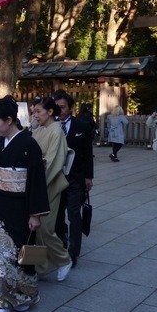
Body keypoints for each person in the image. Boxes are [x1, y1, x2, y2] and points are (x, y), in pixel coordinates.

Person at [0, 97, 50, 312]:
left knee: (22, 256)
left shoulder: (29, 144)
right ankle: (2, 302)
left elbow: (36, 180)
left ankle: (25, 295)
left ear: (9, 120)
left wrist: (35, 214)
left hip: (21, 207)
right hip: (0, 204)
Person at [31, 97, 72, 281]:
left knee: (45, 228)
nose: (36, 115)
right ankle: (37, 267)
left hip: (49, 184)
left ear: (50, 112)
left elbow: (54, 161)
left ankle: (64, 259)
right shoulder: (39, 130)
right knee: (33, 228)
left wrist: (37, 180)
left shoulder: (57, 131)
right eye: (34, 111)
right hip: (36, 184)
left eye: (39, 111)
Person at [54, 92, 94, 268]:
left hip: (75, 178)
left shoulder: (82, 126)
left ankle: (74, 252)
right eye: (57, 107)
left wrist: (88, 176)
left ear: (71, 108)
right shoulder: (50, 126)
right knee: (57, 214)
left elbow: (87, 154)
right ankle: (61, 244)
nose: (59, 111)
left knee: (74, 214)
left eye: (62, 107)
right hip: (56, 177)